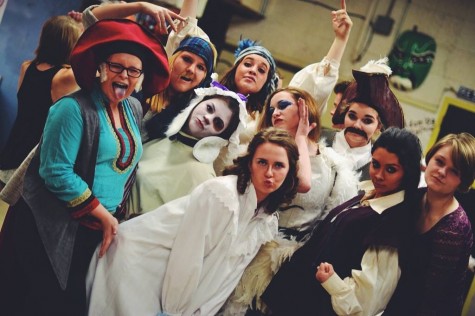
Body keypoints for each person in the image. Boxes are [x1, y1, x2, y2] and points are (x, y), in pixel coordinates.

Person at [0, 19, 170, 315]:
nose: (124, 76)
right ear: (100, 67)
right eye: (117, 66)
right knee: (40, 303)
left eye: (133, 71)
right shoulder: (71, 108)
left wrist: (111, 216)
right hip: (51, 225)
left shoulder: (134, 108)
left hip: (93, 229)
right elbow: (55, 171)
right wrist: (103, 214)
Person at [86, 127, 300, 316]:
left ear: (289, 170)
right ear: (250, 163)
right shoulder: (222, 195)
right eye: (262, 162)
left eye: (279, 165)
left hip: (175, 289)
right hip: (137, 266)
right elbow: (188, 257)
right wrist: (173, 311)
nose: (269, 173)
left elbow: (226, 279)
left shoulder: (266, 222)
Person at [223, 87, 359, 315]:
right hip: (251, 250)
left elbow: (333, 221)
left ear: (305, 107)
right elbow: (301, 183)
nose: (275, 112)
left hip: (298, 264)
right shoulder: (261, 154)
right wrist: (299, 139)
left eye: (283, 105)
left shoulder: (334, 166)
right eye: (272, 108)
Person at [261, 127, 423, 316]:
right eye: (376, 164)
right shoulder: (368, 195)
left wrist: (331, 281)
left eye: (391, 170)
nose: (379, 175)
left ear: (408, 173)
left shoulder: (392, 223)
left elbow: (367, 304)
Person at [214, 1, 353, 174]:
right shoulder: (209, 93)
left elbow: (309, 93)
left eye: (261, 70)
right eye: (248, 64)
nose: (252, 71)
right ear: (235, 68)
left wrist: (340, 40)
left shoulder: (265, 116)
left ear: (267, 81)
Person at [385, 133, 475, 315]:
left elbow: (433, 300)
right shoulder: (415, 196)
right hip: (395, 302)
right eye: (440, 162)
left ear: (462, 181)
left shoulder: (454, 228)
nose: (442, 172)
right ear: (429, 159)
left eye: (454, 171)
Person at [127, 83, 247, 215]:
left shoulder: (203, 178)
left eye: (218, 123)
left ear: (220, 136)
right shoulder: (164, 136)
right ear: (197, 103)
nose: (208, 118)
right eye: (209, 108)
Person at [0, 15, 82, 188]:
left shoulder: (27, 66)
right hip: (32, 161)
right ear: (71, 44)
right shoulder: (65, 77)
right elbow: (92, 63)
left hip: (12, 150)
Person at [324, 57, 405, 181]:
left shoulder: (379, 166)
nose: (357, 125)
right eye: (352, 116)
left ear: (378, 126)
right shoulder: (318, 138)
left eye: (367, 121)